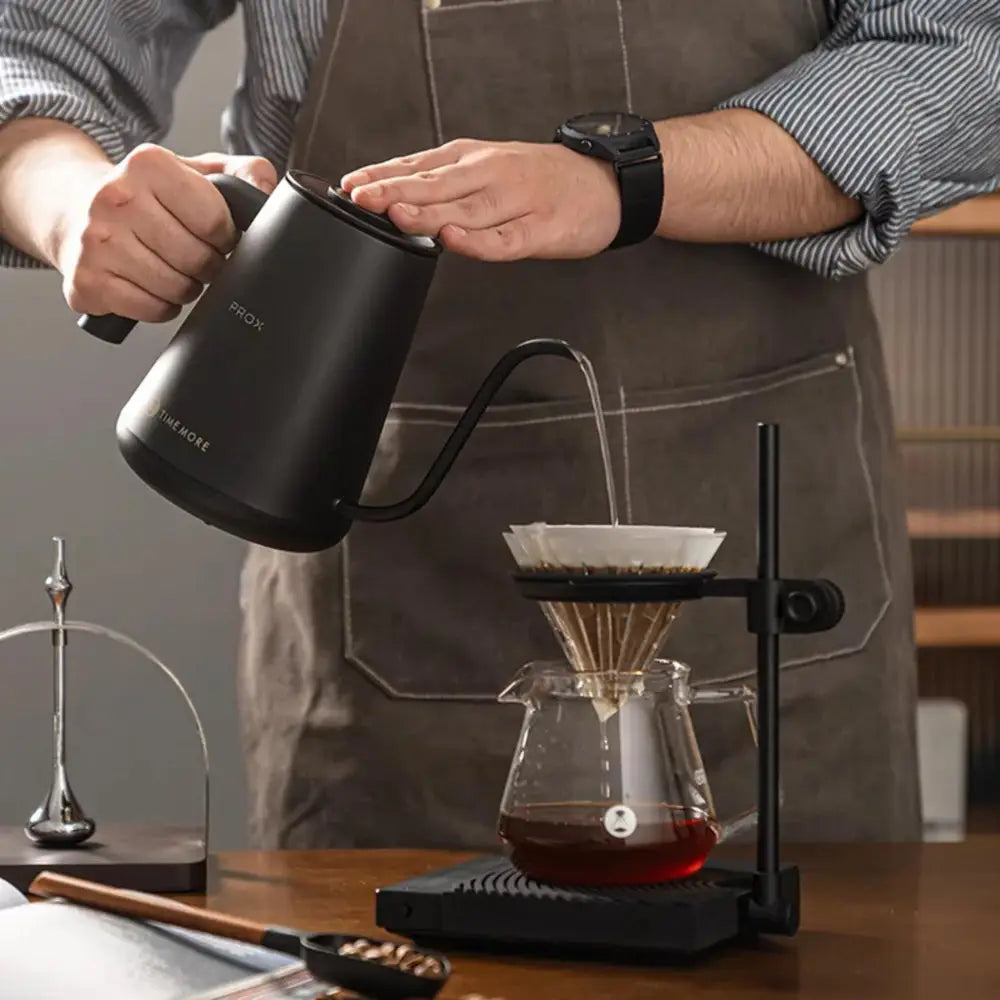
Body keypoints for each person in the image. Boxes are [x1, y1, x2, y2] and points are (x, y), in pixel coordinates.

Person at [0, 1, 998, 851]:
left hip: (776, 603)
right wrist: (77, 208)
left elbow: (964, 47)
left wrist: (627, 178)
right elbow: (34, 46)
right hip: (387, 626)